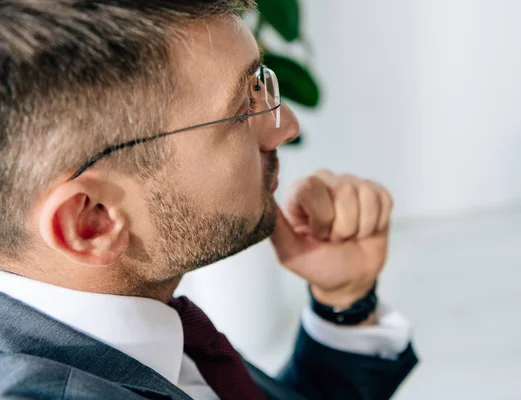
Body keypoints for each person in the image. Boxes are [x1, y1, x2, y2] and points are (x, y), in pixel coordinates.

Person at [0, 1, 418, 399]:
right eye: (240, 111)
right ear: (93, 220)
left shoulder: (136, 320)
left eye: (260, 83)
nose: (285, 127)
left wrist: (344, 301)